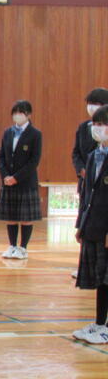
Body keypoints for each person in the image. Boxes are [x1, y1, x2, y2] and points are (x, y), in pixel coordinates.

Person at [73, 105, 108, 344]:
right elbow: (87, 195)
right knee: (101, 280)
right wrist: (81, 225)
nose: (97, 129)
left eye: (103, 124)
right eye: (95, 124)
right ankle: (99, 323)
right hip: (94, 226)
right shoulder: (94, 155)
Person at [0, 100, 42, 260]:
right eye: (15, 112)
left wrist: (16, 177)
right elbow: (1, 156)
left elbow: (34, 161)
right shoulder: (8, 132)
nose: (17, 115)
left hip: (26, 182)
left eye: (21, 112)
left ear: (29, 115)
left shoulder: (35, 134)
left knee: (25, 218)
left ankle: (23, 248)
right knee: (11, 216)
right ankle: (12, 246)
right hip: (8, 182)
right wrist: (5, 176)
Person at [71, 89, 108, 278]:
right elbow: (76, 153)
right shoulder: (84, 128)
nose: (92, 107)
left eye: (98, 103)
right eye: (90, 103)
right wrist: (81, 169)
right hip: (88, 185)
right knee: (86, 222)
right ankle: (84, 264)